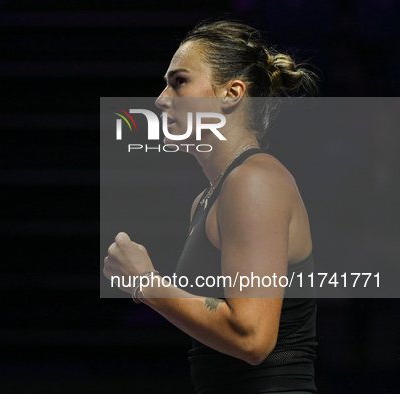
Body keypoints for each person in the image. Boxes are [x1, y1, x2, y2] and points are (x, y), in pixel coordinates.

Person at [103, 20, 318, 393]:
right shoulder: (211, 195)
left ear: (232, 93)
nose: (160, 98)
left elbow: (251, 338)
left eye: (180, 81)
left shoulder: (253, 183)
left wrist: (145, 283)